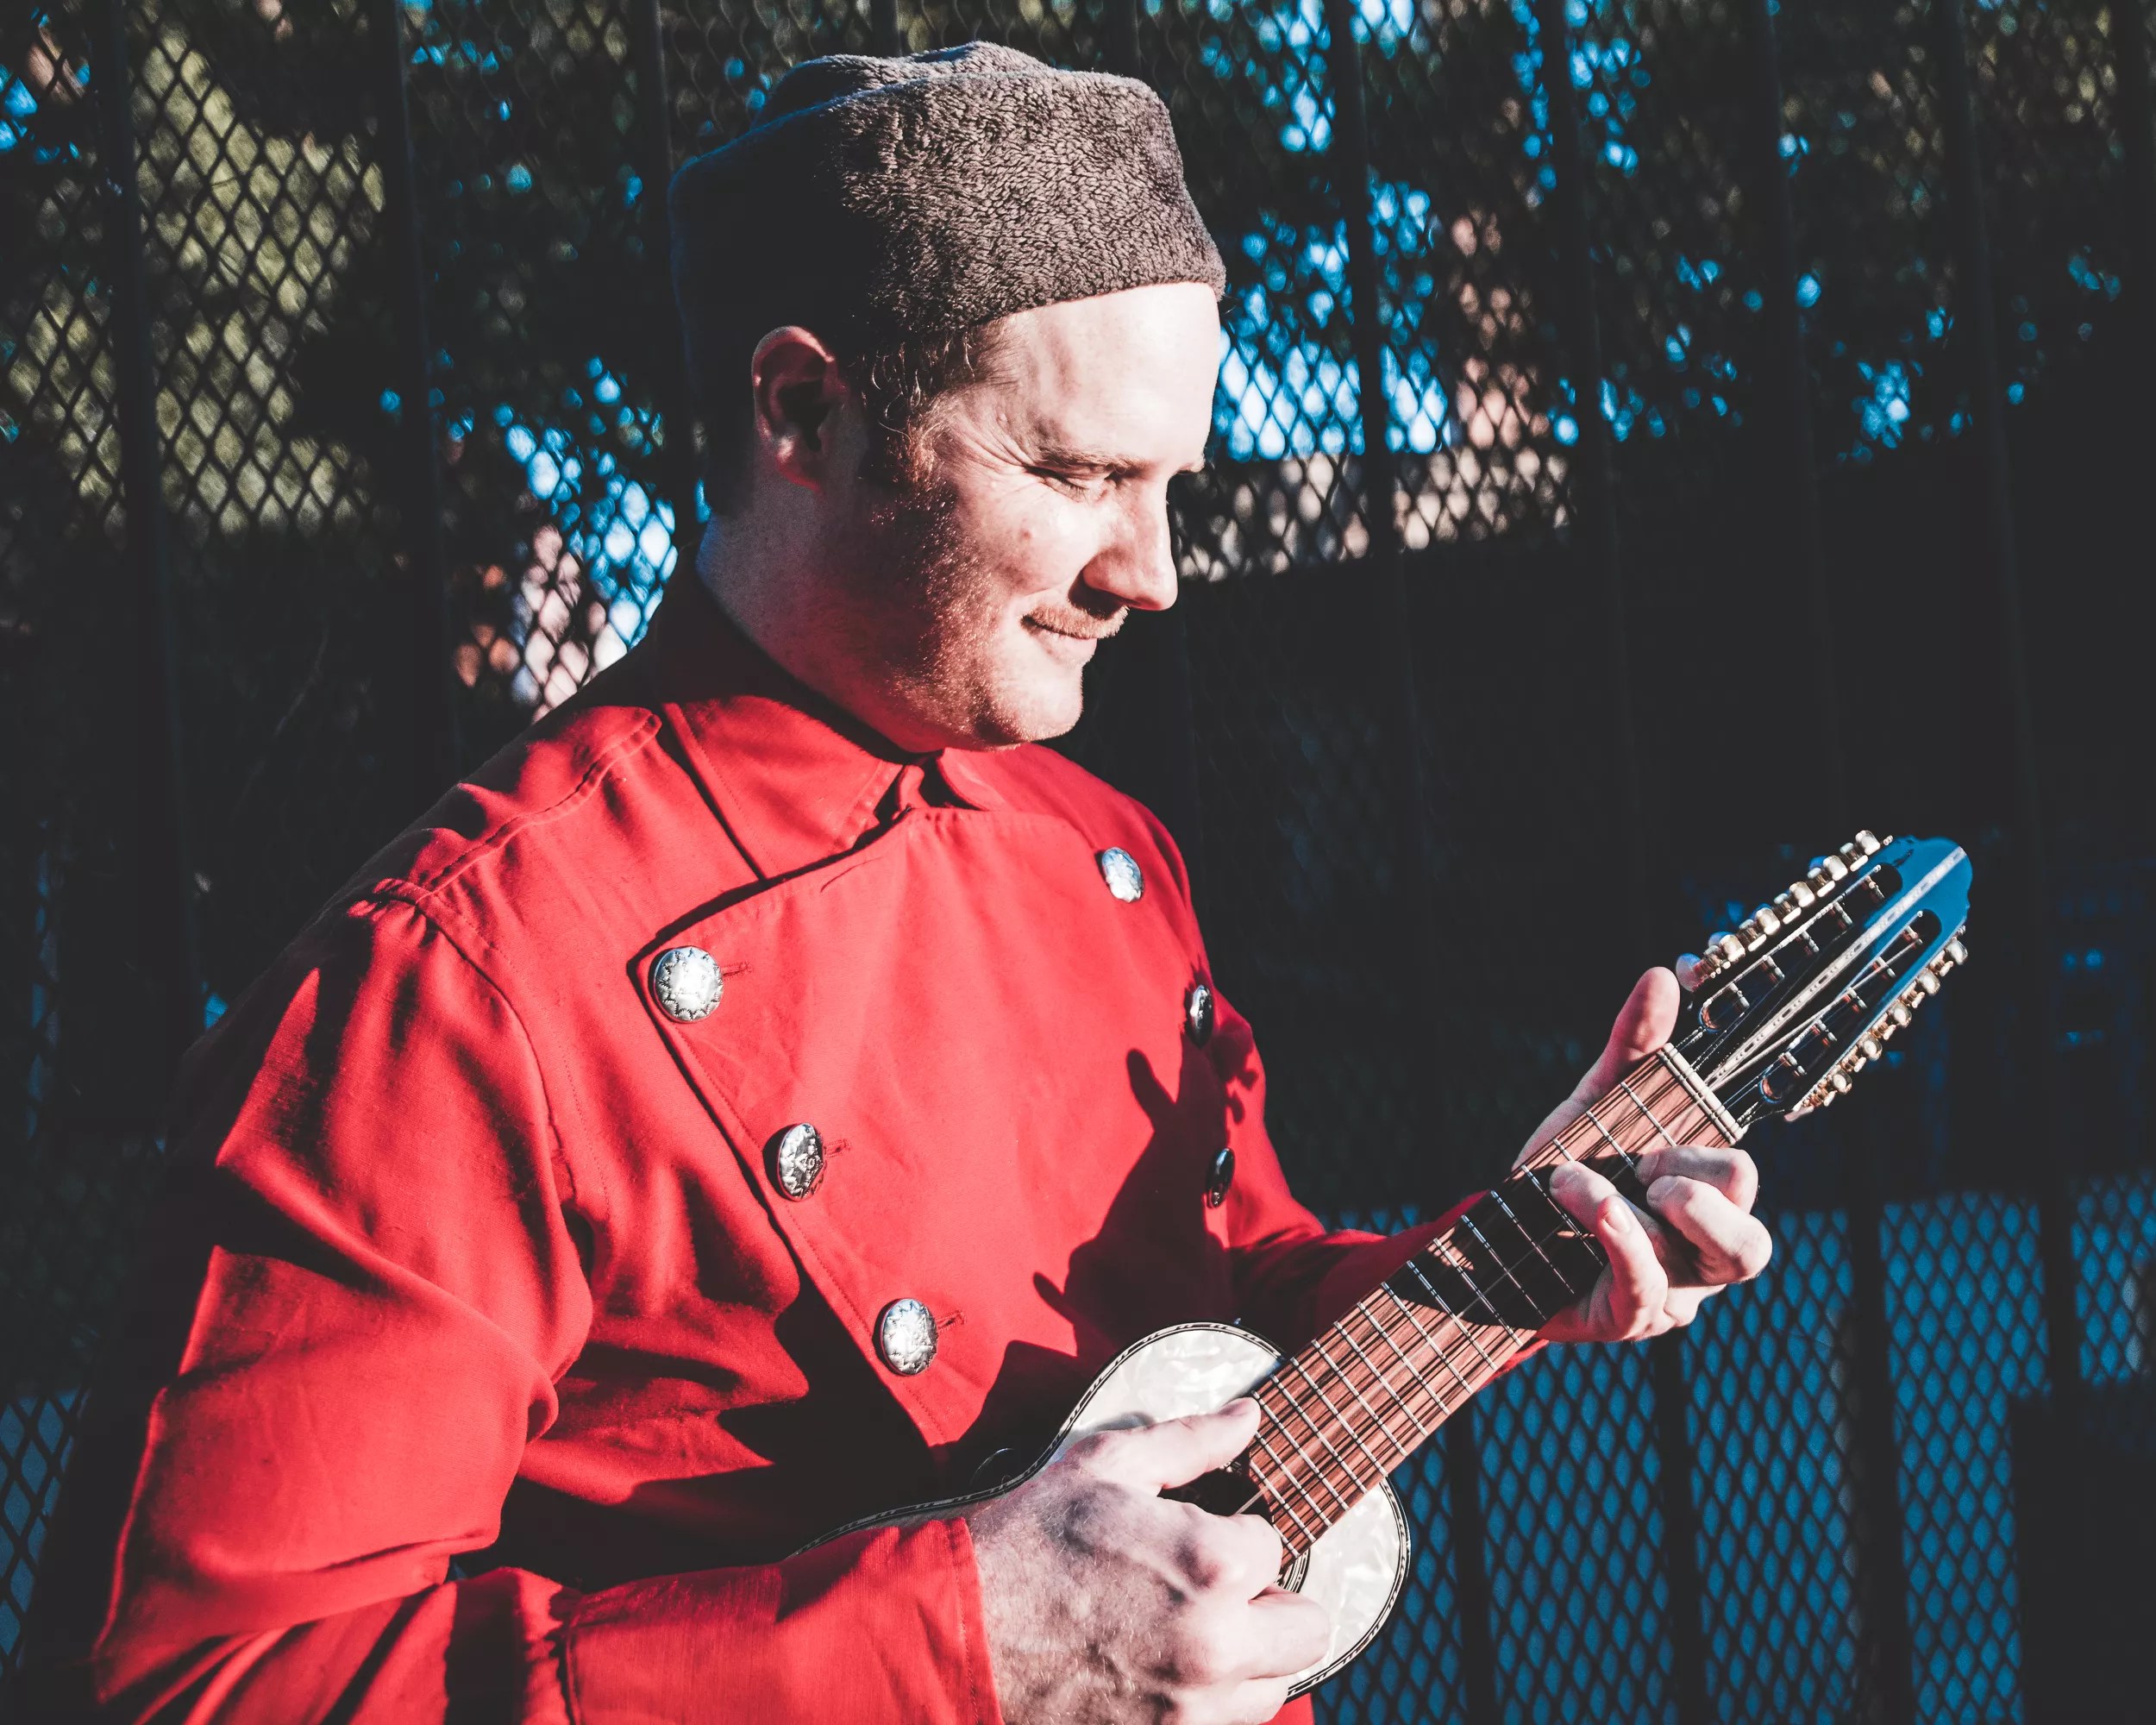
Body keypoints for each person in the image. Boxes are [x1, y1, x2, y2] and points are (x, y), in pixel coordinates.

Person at [24, 42, 1771, 1725]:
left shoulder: (1105, 852)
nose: (1153, 573)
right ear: (803, 410)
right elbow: (189, 1684)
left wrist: (1504, 1257)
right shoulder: (463, 975)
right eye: (1080, 474)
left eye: (1171, 483)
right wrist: (952, 1647)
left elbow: (1220, 1318)